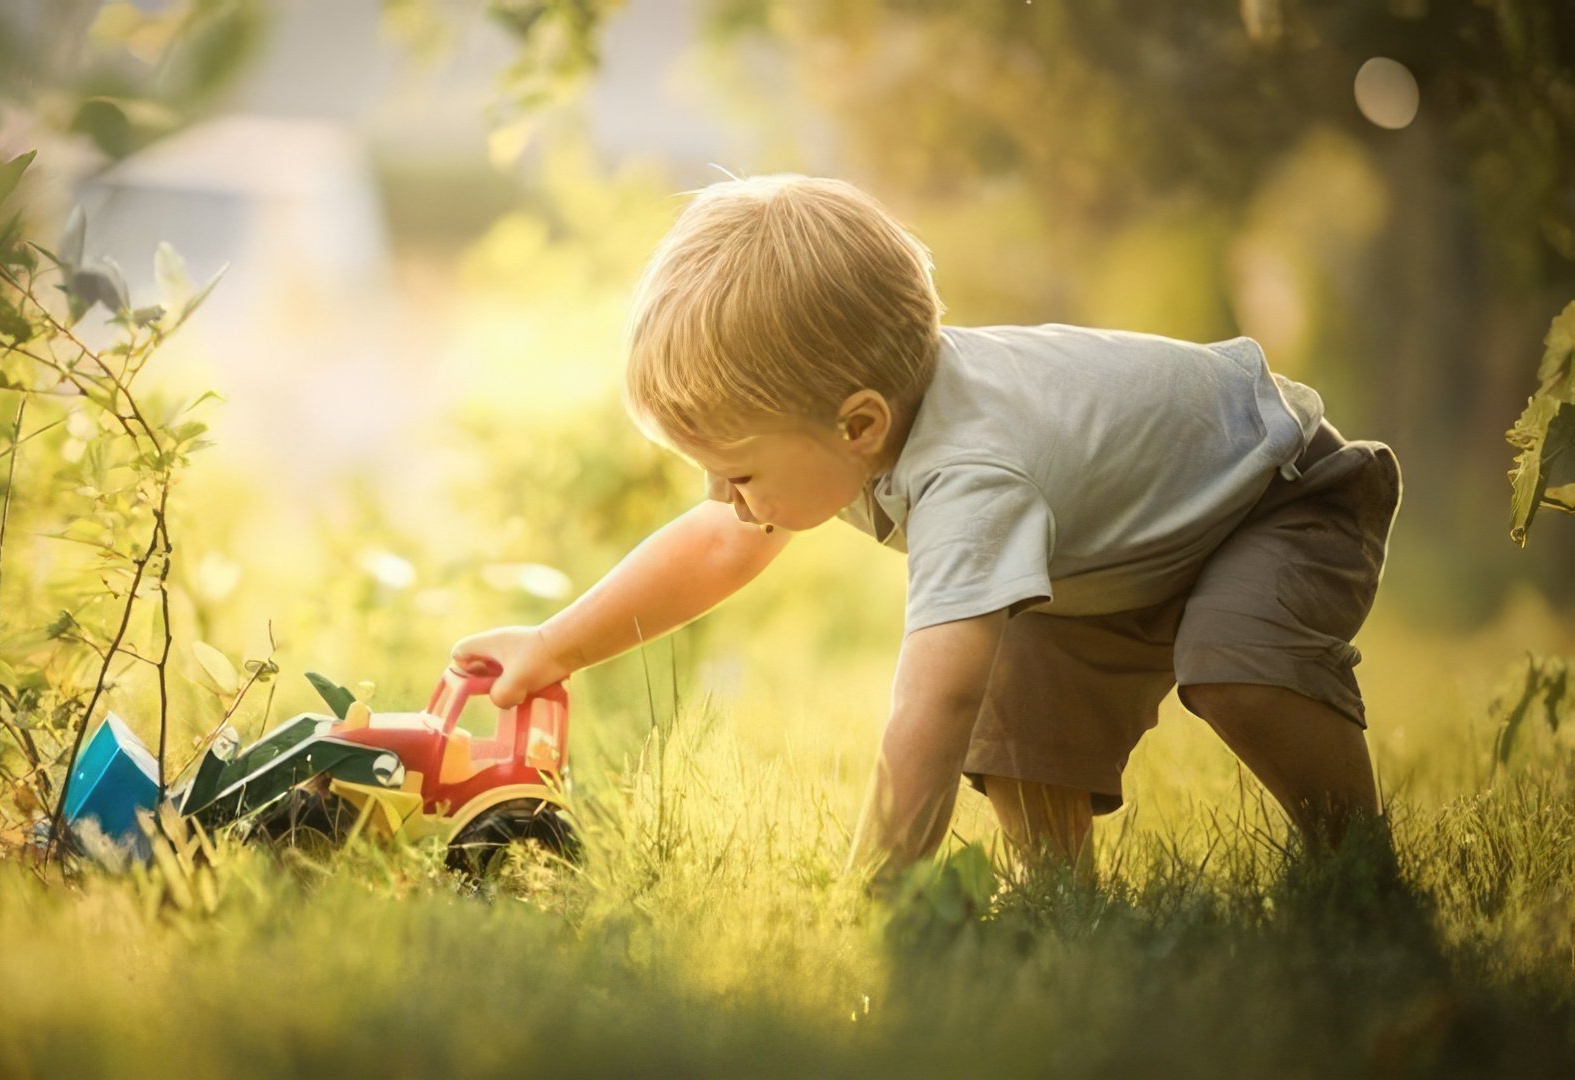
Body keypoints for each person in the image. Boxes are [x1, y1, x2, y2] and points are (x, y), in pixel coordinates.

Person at [449, 174, 1402, 884]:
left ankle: (1356, 870)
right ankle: (1059, 905)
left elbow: (932, 705)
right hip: (1129, 541)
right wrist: (552, 645)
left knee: (1231, 664)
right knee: (1026, 689)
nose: (722, 495)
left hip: (1277, 496)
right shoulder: (867, 425)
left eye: (737, 472)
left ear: (856, 423)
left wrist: (877, 887)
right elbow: (714, 542)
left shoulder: (971, 473)